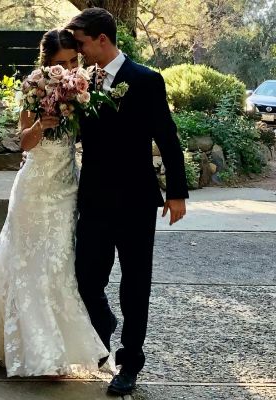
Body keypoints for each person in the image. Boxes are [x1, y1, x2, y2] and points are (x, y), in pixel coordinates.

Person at [0, 29, 109, 377]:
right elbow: (23, 142)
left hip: (66, 188)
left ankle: (52, 350)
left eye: (73, 60)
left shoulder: (85, 86)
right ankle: (37, 353)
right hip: (34, 189)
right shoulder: (33, 87)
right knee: (28, 265)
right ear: (48, 63)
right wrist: (40, 124)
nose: (69, 68)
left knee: (58, 265)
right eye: (62, 62)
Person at [65, 8, 189, 396]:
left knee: (135, 285)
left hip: (136, 200)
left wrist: (176, 192)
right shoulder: (81, 82)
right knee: (85, 277)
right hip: (94, 198)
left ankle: (129, 363)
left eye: (82, 43)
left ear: (102, 39)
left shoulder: (146, 80)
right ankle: (103, 324)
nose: (79, 51)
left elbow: (167, 137)